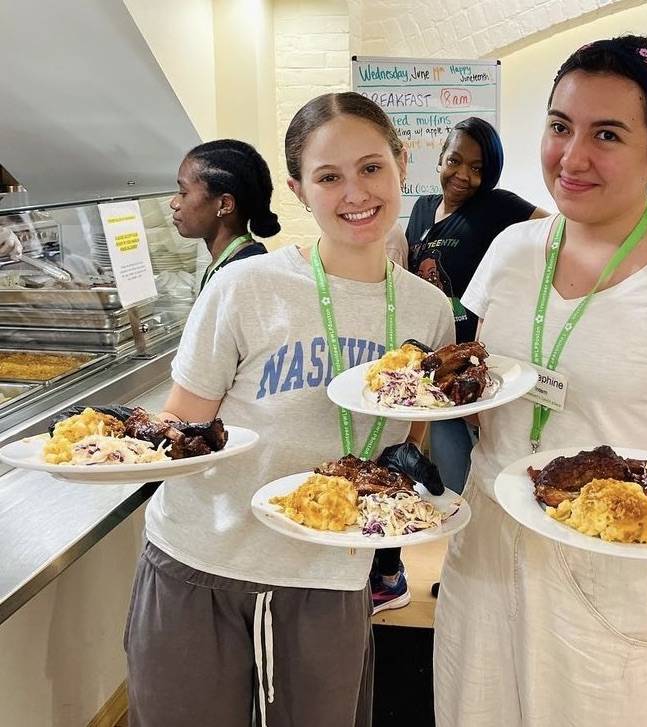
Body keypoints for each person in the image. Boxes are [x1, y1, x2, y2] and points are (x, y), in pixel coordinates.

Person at [433, 36, 647, 727]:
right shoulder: (510, 252)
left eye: (607, 134)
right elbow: (479, 391)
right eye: (560, 126)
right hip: (489, 560)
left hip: (616, 574)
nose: (572, 156)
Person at [124, 93, 454, 727]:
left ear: (401, 164)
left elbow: (401, 452)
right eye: (328, 177)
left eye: (370, 168)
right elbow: (186, 428)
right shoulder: (244, 287)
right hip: (203, 561)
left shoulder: (426, 312)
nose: (354, 192)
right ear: (300, 189)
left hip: (329, 576)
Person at [373, 118, 548, 610]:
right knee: (456, 483)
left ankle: (501, 584)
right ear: (440, 158)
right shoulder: (423, 208)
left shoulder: (499, 206)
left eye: (478, 167)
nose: (464, 175)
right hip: (434, 374)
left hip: (481, 375)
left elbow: (556, 232)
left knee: (491, 475)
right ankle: (468, 577)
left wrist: (516, 305)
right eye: (455, 161)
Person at [169, 139, 280, 290]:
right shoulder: (228, 265)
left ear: (224, 205)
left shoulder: (242, 277)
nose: (174, 203)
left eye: (183, 193)